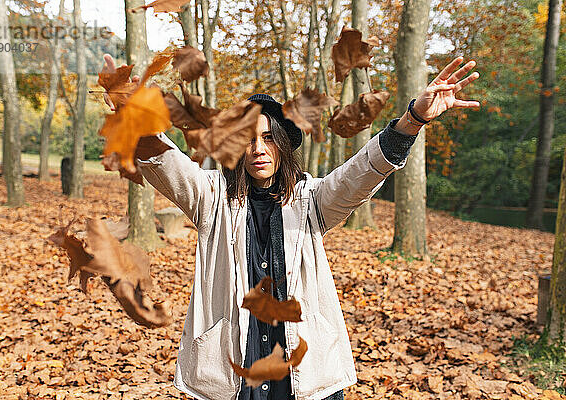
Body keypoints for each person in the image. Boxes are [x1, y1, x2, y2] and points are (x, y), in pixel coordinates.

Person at [102, 55, 479, 400]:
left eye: (268, 138)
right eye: (247, 139)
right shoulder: (212, 198)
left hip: (304, 376)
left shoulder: (311, 200)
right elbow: (169, 165)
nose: (258, 149)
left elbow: (359, 175)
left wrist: (412, 121)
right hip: (235, 376)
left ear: (282, 145)